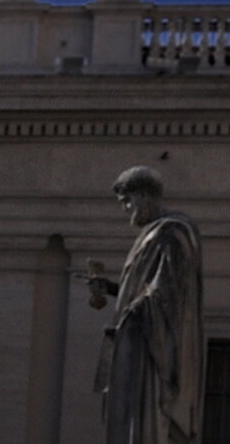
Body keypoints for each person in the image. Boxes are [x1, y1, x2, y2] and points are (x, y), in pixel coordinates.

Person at [87, 166, 203, 444]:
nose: (126, 209)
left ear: (142, 196)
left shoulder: (171, 232)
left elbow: (167, 294)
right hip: (144, 335)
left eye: (127, 202)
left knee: (144, 416)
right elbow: (147, 288)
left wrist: (130, 314)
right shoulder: (156, 233)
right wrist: (112, 289)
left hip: (155, 345)